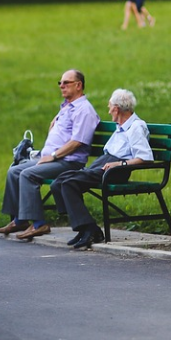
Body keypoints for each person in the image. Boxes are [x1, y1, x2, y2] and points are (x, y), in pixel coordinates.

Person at [0, 69, 100, 240]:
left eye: (66, 82)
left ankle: (39, 224)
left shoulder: (84, 110)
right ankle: (20, 219)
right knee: (14, 171)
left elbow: (77, 142)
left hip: (68, 162)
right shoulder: (67, 107)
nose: (61, 86)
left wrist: (53, 156)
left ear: (78, 85)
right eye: (60, 82)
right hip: (54, 158)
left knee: (28, 174)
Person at [50, 89, 153, 249]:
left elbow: (145, 157)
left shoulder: (135, 127)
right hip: (104, 164)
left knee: (70, 183)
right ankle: (84, 227)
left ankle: (90, 229)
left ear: (117, 109)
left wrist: (119, 164)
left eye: (110, 106)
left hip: (116, 170)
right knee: (59, 182)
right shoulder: (121, 126)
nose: (109, 110)